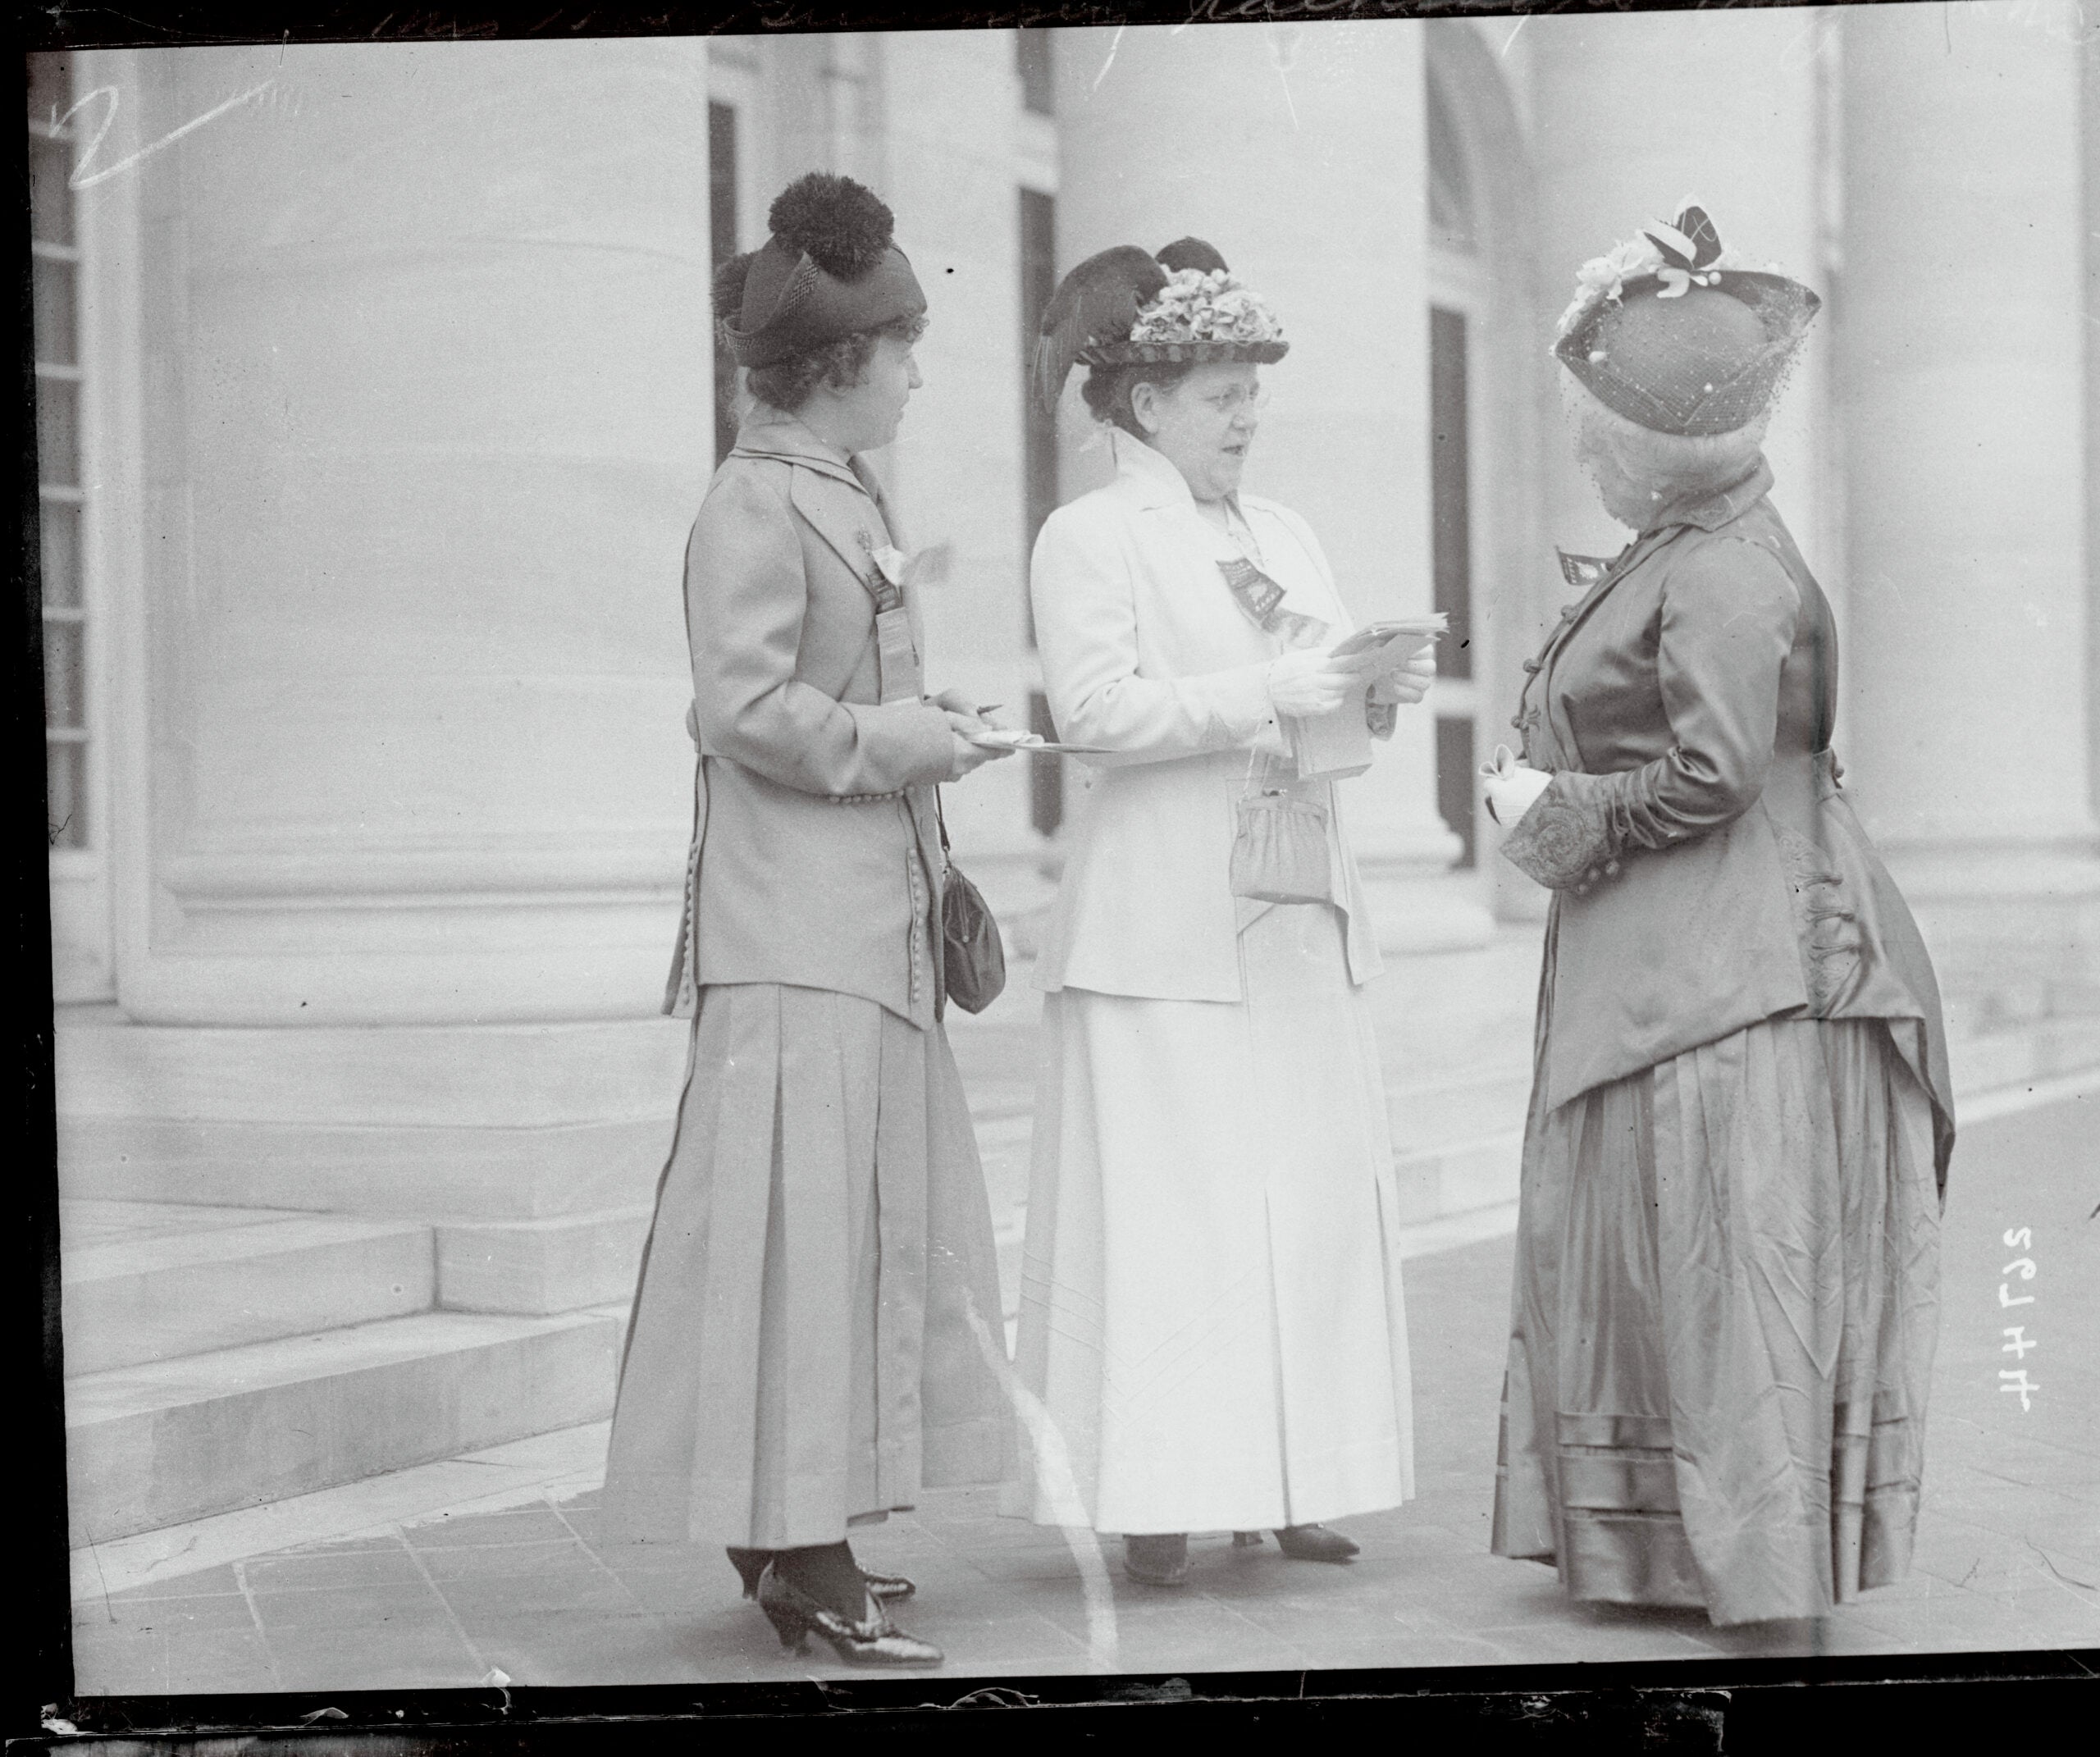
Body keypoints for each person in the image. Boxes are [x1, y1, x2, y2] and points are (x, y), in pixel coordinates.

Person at [1484, 206, 1954, 1627]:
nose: (1578, 447)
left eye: (1592, 428)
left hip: (1731, 977)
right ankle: (1675, 1546)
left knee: (1726, 1259)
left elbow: (1716, 775)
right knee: (1673, 1251)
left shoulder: (1724, 565)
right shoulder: (1688, 541)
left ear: (1647, 445)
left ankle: (1753, 1558)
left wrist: (1563, 814)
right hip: (1679, 958)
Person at [599, 172, 1014, 1668]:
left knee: (838, 1237)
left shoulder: (837, 491)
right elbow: (741, 709)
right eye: (902, 346)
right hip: (797, 937)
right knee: (802, 1240)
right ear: (838, 365)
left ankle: (798, 1534)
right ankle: (802, 1543)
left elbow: (828, 689)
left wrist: (924, 719)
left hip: (860, 926)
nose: (915, 368)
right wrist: (901, 739)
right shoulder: (756, 499)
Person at [1005, 238, 1437, 1588]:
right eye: (1222, 393)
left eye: (1254, 391)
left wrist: (1368, 689)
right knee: (1176, 1214)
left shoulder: (1286, 528)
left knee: (1300, 1209)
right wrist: (1273, 696)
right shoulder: (1088, 534)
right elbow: (1094, 715)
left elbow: (1318, 687)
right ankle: (1159, 1492)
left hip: (1295, 903)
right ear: (1143, 405)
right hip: (1163, 925)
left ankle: (1291, 1478)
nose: (1250, 416)